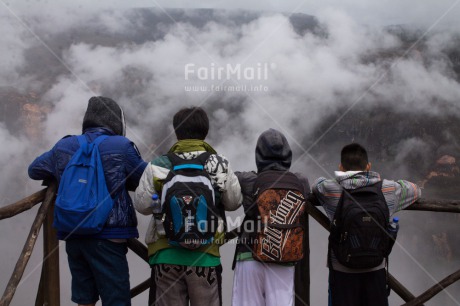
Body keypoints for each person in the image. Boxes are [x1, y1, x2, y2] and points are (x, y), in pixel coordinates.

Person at [28, 96, 147, 306]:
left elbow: (35, 170)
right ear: (117, 121)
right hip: (109, 236)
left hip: (74, 234)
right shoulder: (122, 146)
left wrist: (64, 175)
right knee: (116, 299)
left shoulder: (66, 145)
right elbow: (144, 179)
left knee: (84, 299)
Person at [134, 106, 242, 306]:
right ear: (205, 132)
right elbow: (234, 202)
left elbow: (142, 205)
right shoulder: (220, 164)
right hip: (205, 256)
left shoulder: (159, 164)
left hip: (166, 255)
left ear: (177, 132)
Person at [310, 143, 421, 306]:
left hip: (342, 271)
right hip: (375, 269)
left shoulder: (330, 189)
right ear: (368, 166)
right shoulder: (388, 189)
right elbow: (416, 190)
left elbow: (315, 185)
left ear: (341, 167)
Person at [231, 128, 310, 306]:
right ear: (288, 155)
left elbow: (226, 181)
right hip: (285, 257)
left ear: (258, 155)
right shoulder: (300, 181)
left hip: (249, 254)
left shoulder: (246, 180)